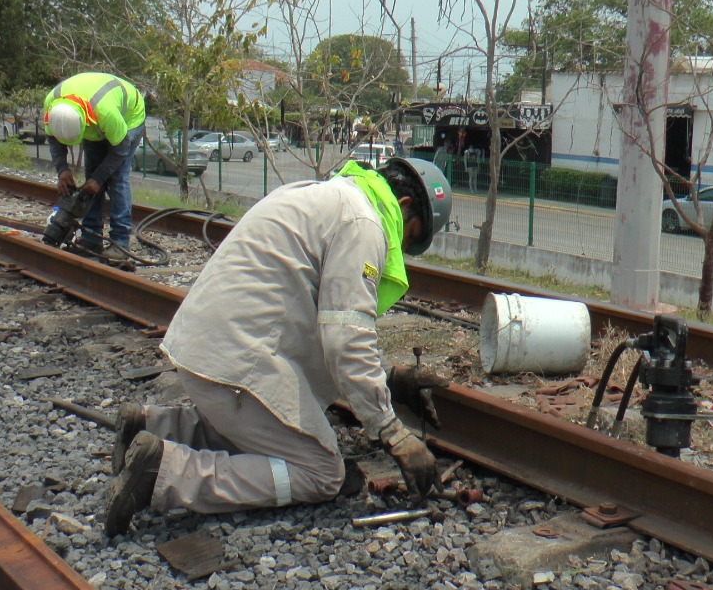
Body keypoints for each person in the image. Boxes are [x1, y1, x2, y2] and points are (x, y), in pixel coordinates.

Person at [103, 157, 454, 536]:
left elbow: (317, 327)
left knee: (266, 433)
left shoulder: (322, 195)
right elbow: (344, 339)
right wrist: (392, 431)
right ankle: (163, 474)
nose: (399, 248)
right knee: (321, 472)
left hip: (205, 352)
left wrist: (388, 380)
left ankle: (155, 426)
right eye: (409, 236)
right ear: (403, 206)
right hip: (237, 365)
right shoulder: (365, 223)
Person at [44, 72, 146, 261]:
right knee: (91, 173)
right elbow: (53, 138)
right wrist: (62, 170)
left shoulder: (105, 112)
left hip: (129, 118)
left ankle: (120, 243)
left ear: (84, 123)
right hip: (97, 121)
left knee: (117, 179)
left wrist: (99, 179)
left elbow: (120, 149)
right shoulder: (52, 104)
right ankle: (91, 238)